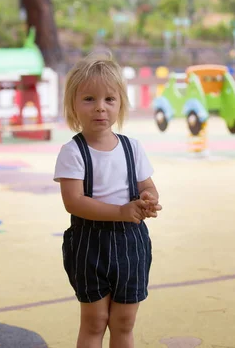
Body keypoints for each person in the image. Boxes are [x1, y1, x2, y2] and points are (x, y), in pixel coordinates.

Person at [53, 52, 162, 348]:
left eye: (109, 100)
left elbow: (147, 185)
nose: (100, 108)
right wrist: (121, 211)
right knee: (94, 321)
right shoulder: (73, 152)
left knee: (124, 323)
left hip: (131, 243)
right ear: (73, 104)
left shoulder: (132, 147)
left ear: (120, 104)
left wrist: (149, 198)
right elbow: (73, 202)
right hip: (90, 244)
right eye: (89, 99)